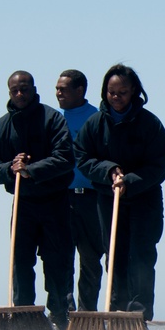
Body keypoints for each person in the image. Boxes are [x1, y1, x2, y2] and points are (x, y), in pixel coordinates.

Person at [74, 64, 165, 322]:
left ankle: (138, 316)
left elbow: (159, 164)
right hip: (108, 199)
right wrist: (109, 171)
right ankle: (117, 314)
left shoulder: (150, 123)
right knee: (115, 255)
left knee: (141, 255)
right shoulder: (94, 123)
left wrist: (129, 180)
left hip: (144, 198)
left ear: (134, 92)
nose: (116, 97)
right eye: (111, 92)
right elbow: (82, 157)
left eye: (122, 92)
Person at [0, 70, 75, 330]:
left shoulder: (52, 119)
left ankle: (59, 316)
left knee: (57, 262)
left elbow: (65, 158)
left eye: (24, 89)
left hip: (55, 202)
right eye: (15, 91)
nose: (20, 94)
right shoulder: (2, 126)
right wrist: (11, 169)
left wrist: (31, 169)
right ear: (9, 93)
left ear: (34, 89)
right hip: (23, 204)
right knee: (21, 262)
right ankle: (24, 317)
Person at [56, 69, 105, 312]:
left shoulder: (96, 118)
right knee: (62, 259)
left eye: (63, 89)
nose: (58, 93)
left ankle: (87, 315)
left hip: (91, 199)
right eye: (57, 89)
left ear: (80, 90)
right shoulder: (53, 120)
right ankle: (65, 315)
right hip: (60, 198)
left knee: (90, 260)